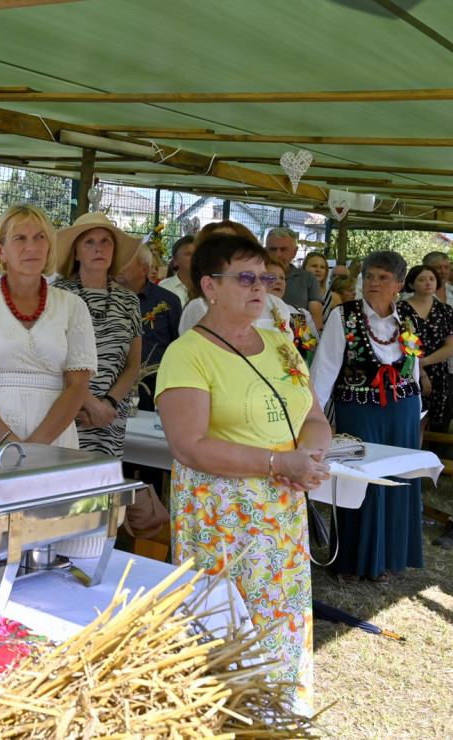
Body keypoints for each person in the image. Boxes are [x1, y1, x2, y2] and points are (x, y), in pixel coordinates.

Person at [156, 232, 331, 715]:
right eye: (247, 277)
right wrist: (279, 463)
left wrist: (310, 459)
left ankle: (278, 717)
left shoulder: (282, 344)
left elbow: (314, 419)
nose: (261, 287)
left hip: (282, 510)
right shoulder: (186, 353)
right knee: (227, 630)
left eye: (267, 278)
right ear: (210, 286)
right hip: (224, 518)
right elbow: (189, 446)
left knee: (281, 620)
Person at [310, 251, 424, 584]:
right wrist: (314, 420)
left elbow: (412, 365)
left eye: (383, 278)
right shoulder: (342, 316)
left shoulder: (407, 315)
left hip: (401, 410)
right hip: (358, 410)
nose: (373, 283)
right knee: (359, 482)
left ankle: (389, 558)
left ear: (399, 286)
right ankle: (353, 560)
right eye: (369, 277)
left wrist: (416, 414)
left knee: (397, 482)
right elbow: (324, 369)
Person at [0, 205, 96, 449]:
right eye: (20, 239)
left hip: (54, 440)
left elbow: (78, 386)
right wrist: (10, 442)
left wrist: (37, 445)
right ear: (0, 250)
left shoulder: (72, 306)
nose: (32, 247)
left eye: (40, 237)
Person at [53, 212, 142, 458]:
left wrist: (108, 404)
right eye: (89, 242)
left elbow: (133, 364)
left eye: (106, 242)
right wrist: (89, 403)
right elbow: (51, 358)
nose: (98, 249)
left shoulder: (129, 300)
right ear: (76, 252)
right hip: (67, 411)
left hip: (110, 417)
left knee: (101, 489)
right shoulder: (57, 295)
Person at [116, 244, 181, 411]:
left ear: (144, 270)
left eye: (125, 262)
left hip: (152, 389)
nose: (118, 266)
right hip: (112, 387)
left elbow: (176, 345)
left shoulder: (167, 301)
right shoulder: (105, 299)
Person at [398, 265, 453, 434]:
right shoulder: (400, 309)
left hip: (438, 371)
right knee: (408, 421)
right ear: (412, 284)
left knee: (428, 421)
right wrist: (420, 371)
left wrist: (425, 362)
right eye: (422, 279)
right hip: (407, 370)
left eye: (432, 279)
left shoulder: (445, 310)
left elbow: (450, 346)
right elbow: (399, 345)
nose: (428, 283)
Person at [266, 226, 324, 330]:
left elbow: (316, 324)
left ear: (295, 251)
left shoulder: (308, 279)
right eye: (273, 249)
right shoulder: (255, 277)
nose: (278, 254)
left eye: (283, 249)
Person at [157, 236, 194, 306]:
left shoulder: (207, 286)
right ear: (175, 260)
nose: (194, 257)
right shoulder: (165, 287)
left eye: (196, 253)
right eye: (188, 254)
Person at [302, 252, 331, 317]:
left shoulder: (333, 298)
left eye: (322, 267)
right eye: (314, 266)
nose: (318, 270)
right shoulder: (293, 292)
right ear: (304, 268)